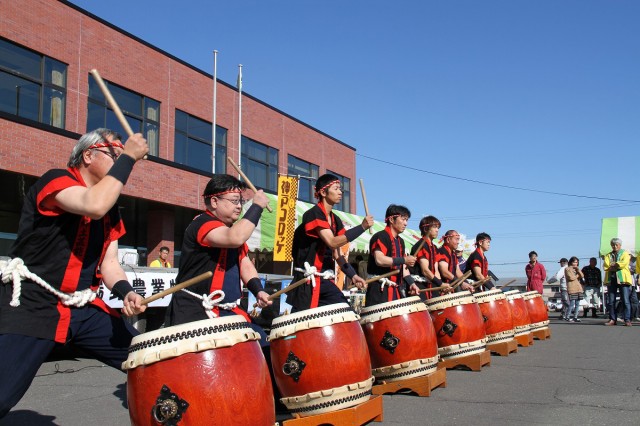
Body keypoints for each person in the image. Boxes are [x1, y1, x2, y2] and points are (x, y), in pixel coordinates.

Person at [0, 128, 149, 418]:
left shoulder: (111, 210)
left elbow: (109, 264)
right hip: (34, 304)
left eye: (122, 157)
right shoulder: (57, 180)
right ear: (88, 155)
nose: (120, 163)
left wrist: (126, 292)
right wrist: (130, 155)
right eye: (114, 156)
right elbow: (93, 205)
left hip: (83, 308)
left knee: (148, 358)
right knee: (2, 395)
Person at [165, 175, 272, 340]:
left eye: (241, 202)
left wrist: (258, 290)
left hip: (227, 312)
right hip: (197, 312)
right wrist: (257, 206)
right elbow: (235, 238)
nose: (239, 207)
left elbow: (245, 264)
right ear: (214, 201)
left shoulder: (230, 228)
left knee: (263, 345)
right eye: (235, 201)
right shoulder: (202, 223)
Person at [287, 174, 373, 312]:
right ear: (323, 192)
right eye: (336, 188)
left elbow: (338, 254)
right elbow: (332, 242)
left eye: (340, 189)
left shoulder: (336, 220)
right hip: (307, 280)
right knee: (303, 322)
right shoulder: (313, 214)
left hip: (324, 280)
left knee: (344, 312)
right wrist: (362, 227)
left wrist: (354, 275)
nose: (340, 192)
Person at [365, 204, 420, 307]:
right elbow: (380, 260)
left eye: (407, 220)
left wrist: (411, 283)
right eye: (403, 219)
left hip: (395, 290)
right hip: (379, 290)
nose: (405, 223)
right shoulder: (380, 236)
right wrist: (404, 260)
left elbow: (404, 267)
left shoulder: (401, 242)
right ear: (391, 219)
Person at [411, 215, 447, 298]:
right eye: (434, 227)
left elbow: (436, 270)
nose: (437, 230)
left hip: (432, 285)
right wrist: (440, 284)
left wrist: (440, 286)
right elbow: (425, 270)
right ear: (426, 229)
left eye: (438, 227)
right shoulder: (421, 245)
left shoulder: (434, 247)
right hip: (420, 286)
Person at [603, 238, 632, 326]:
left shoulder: (625, 253)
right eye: (613, 245)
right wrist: (616, 265)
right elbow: (606, 265)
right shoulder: (608, 255)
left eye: (616, 245)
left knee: (625, 300)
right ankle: (612, 319)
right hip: (611, 279)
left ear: (620, 245)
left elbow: (624, 263)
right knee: (611, 301)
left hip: (622, 279)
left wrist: (615, 264)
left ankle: (627, 319)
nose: (614, 246)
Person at [564, 257, 584, 322]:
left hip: (578, 288)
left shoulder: (577, 269)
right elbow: (571, 278)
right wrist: (577, 275)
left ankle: (575, 316)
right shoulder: (567, 269)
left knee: (578, 304)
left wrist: (578, 270)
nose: (575, 263)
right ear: (571, 262)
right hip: (572, 288)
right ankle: (567, 316)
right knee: (572, 303)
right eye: (574, 262)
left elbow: (582, 275)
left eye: (576, 262)